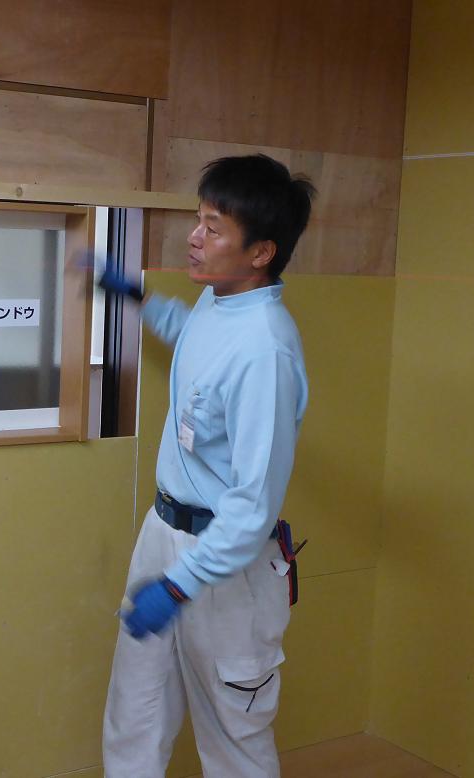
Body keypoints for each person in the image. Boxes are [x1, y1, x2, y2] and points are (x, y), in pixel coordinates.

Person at [97, 154, 315, 777]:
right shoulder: (218, 301)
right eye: (198, 220)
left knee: (233, 739)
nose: (194, 237)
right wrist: (136, 296)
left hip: (225, 563)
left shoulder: (266, 352)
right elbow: (191, 336)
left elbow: (253, 506)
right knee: (134, 715)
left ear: (261, 252)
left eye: (213, 228)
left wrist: (179, 585)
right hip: (164, 532)